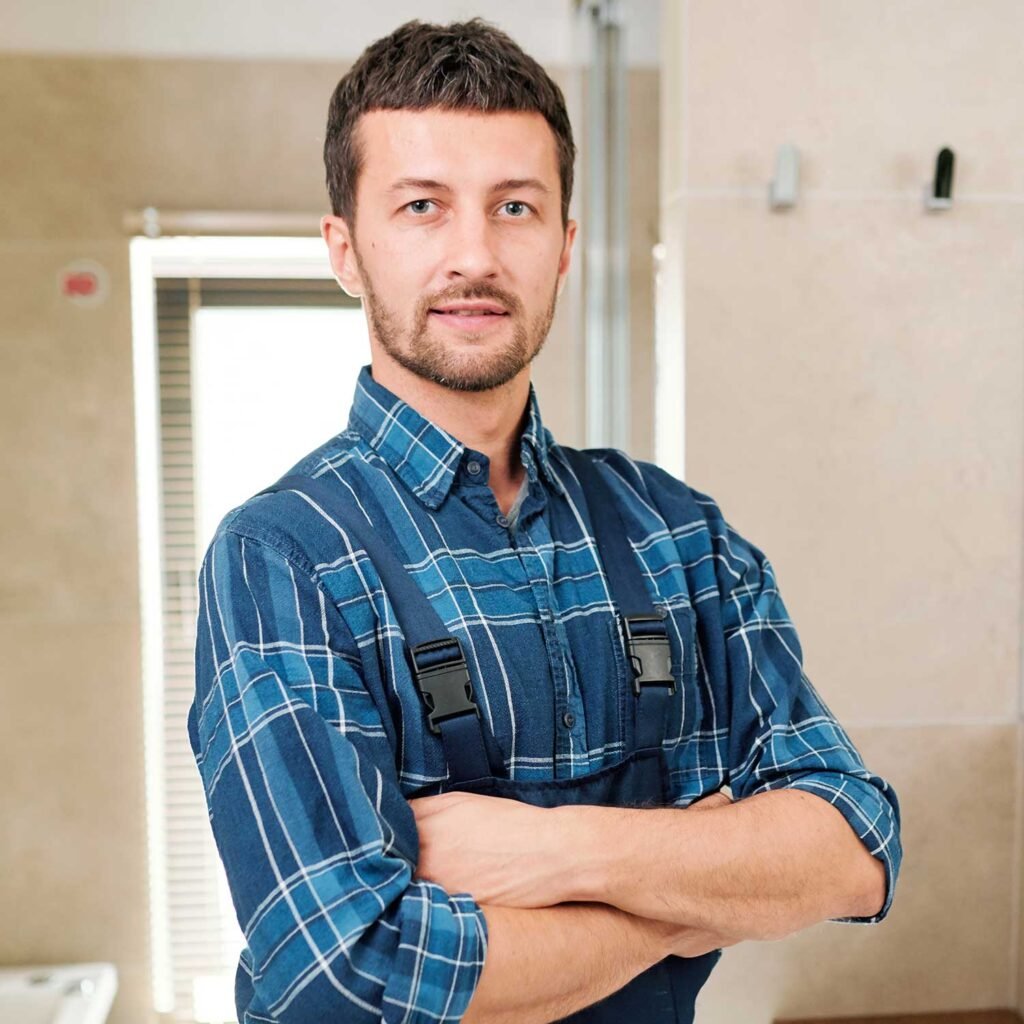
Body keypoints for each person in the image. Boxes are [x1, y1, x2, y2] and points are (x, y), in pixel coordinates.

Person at [188, 17, 902, 1024]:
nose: (473, 255)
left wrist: (555, 852)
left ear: (565, 245)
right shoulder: (283, 557)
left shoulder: (677, 534)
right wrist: (690, 903)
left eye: (514, 207)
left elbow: (855, 847)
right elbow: (346, 976)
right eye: (423, 206)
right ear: (345, 251)